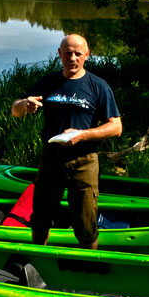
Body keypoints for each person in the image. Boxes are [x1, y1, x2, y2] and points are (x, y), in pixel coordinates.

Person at [11, 34, 122, 249]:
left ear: (87, 55)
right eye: (68, 53)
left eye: (78, 53)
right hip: (51, 160)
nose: (72, 58)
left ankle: (88, 262)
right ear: (59, 54)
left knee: (86, 224)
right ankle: (39, 257)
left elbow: (116, 127)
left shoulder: (98, 86)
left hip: (84, 162)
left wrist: (82, 135)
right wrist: (24, 105)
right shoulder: (48, 82)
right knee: (40, 218)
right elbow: (15, 110)